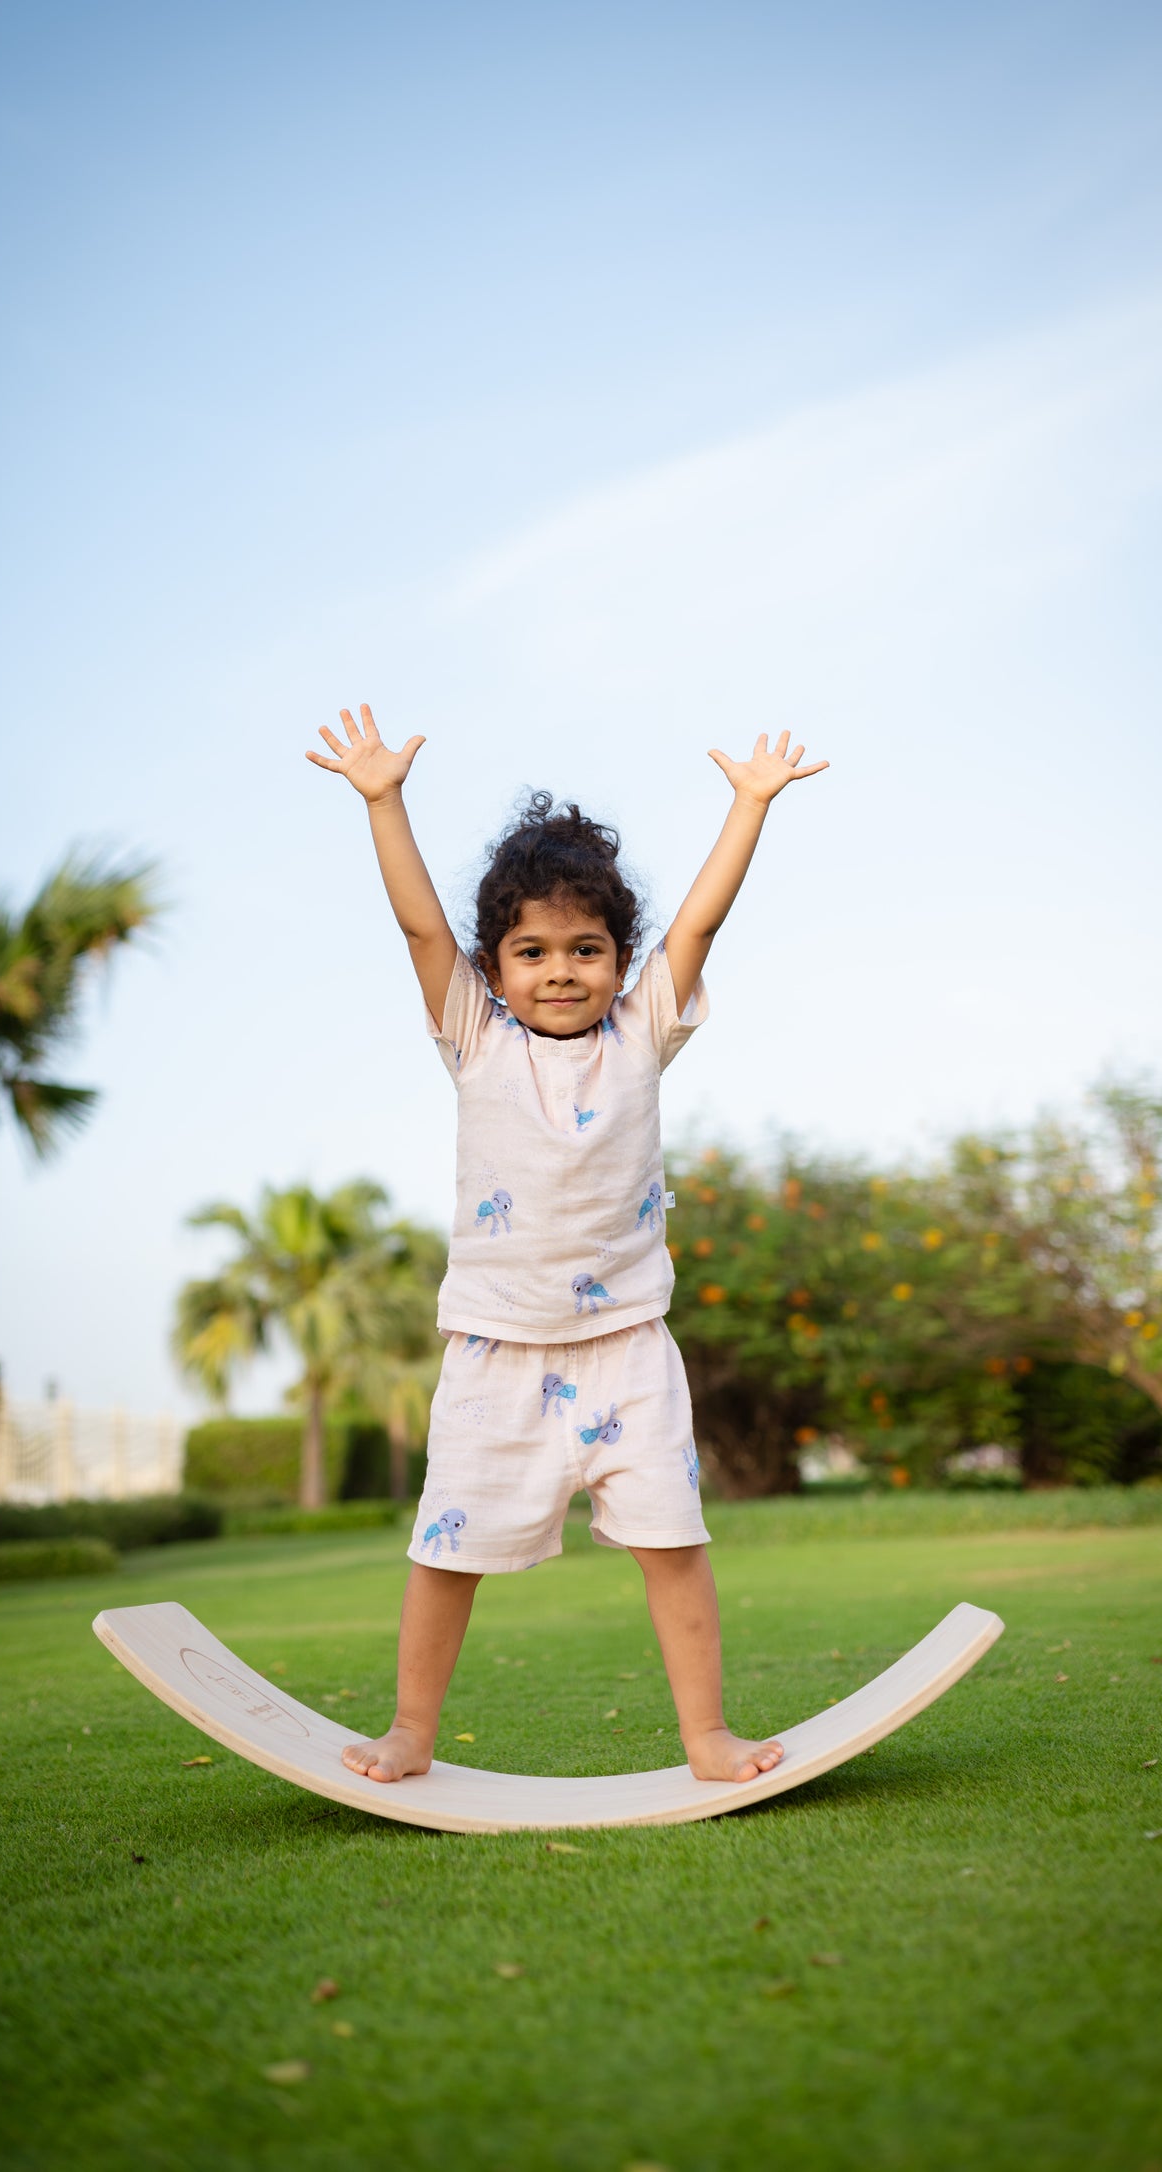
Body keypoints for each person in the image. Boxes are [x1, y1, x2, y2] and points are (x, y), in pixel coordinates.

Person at [306, 705, 828, 1783]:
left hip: (628, 1348)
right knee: (446, 1554)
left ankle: (705, 1737)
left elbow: (697, 929)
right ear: (492, 968)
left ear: (616, 961)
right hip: (496, 1350)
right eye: (531, 951)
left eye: (584, 950)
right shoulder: (474, 1037)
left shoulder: (641, 1035)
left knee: (674, 1549)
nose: (558, 971)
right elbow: (417, 931)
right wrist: (382, 801)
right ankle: (410, 1730)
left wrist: (747, 807)